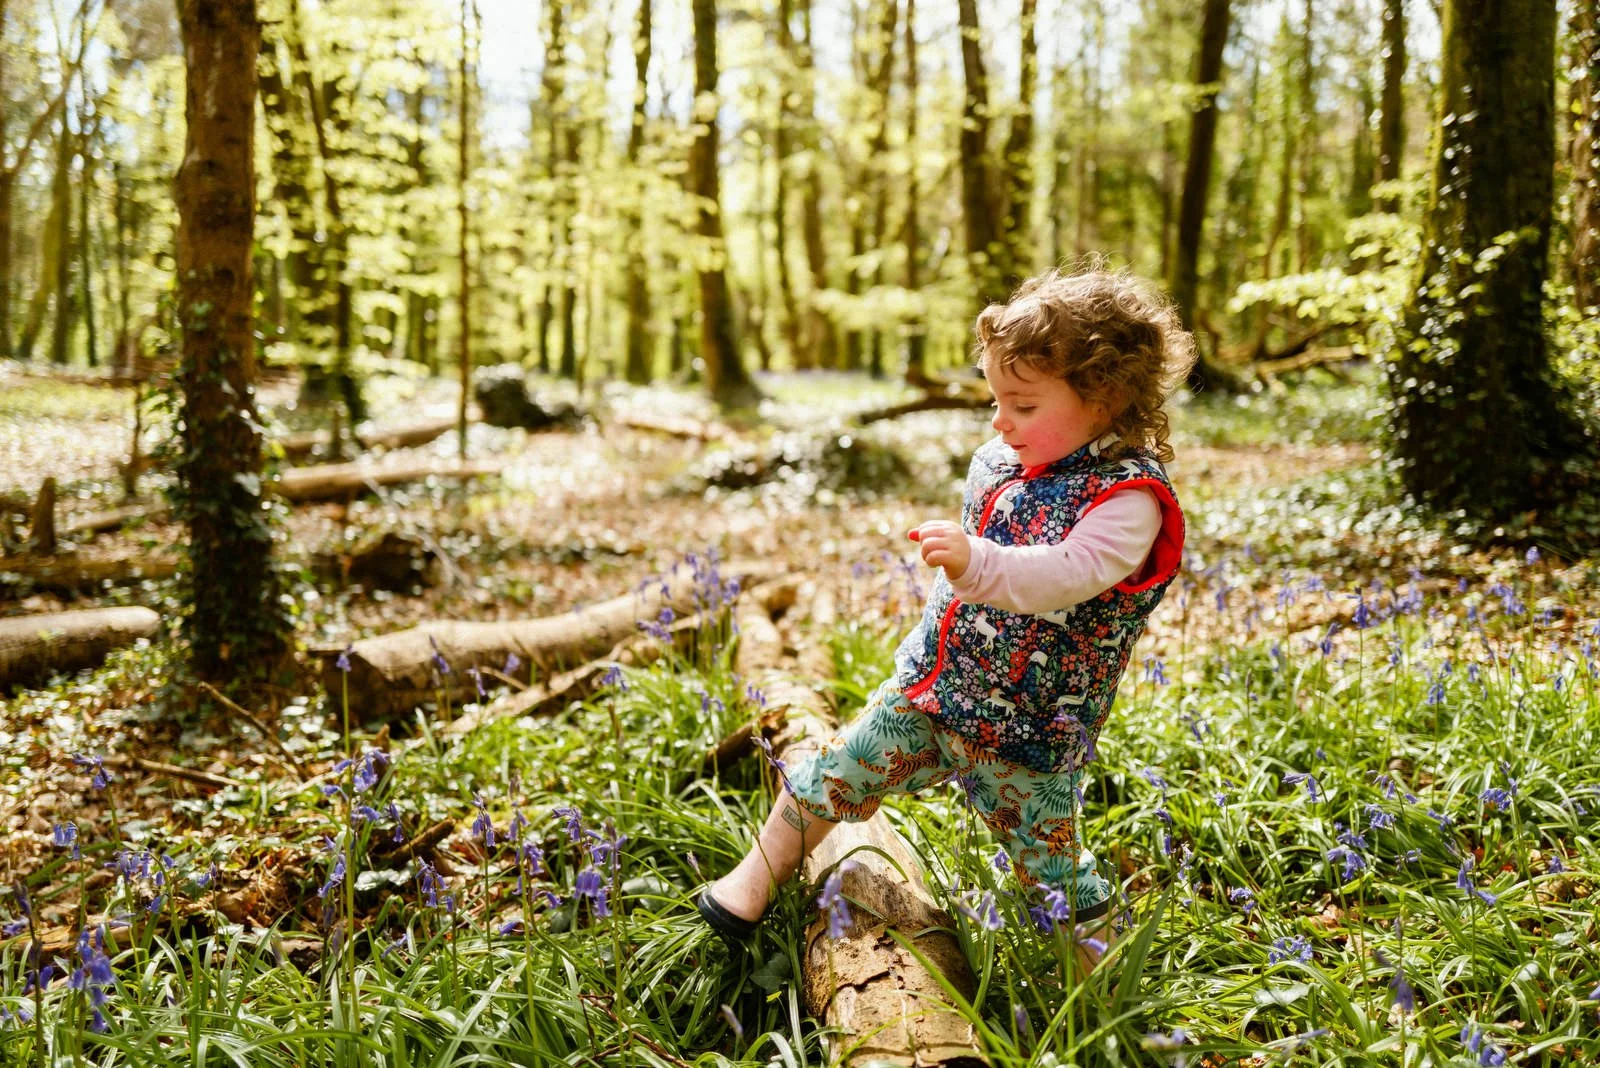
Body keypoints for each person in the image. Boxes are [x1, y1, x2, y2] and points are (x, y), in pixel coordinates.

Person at [697, 265, 1195, 968]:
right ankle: (747, 886)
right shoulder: (999, 459)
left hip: (1026, 730)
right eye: (995, 400)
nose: (1000, 421)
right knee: (832, 775)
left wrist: (976, 562)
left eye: (1021, 405)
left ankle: (1105, 989)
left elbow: (1066, 576)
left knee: (1050, 868)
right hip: (931, 694)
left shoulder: (1129, 499)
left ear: (1106, 397)